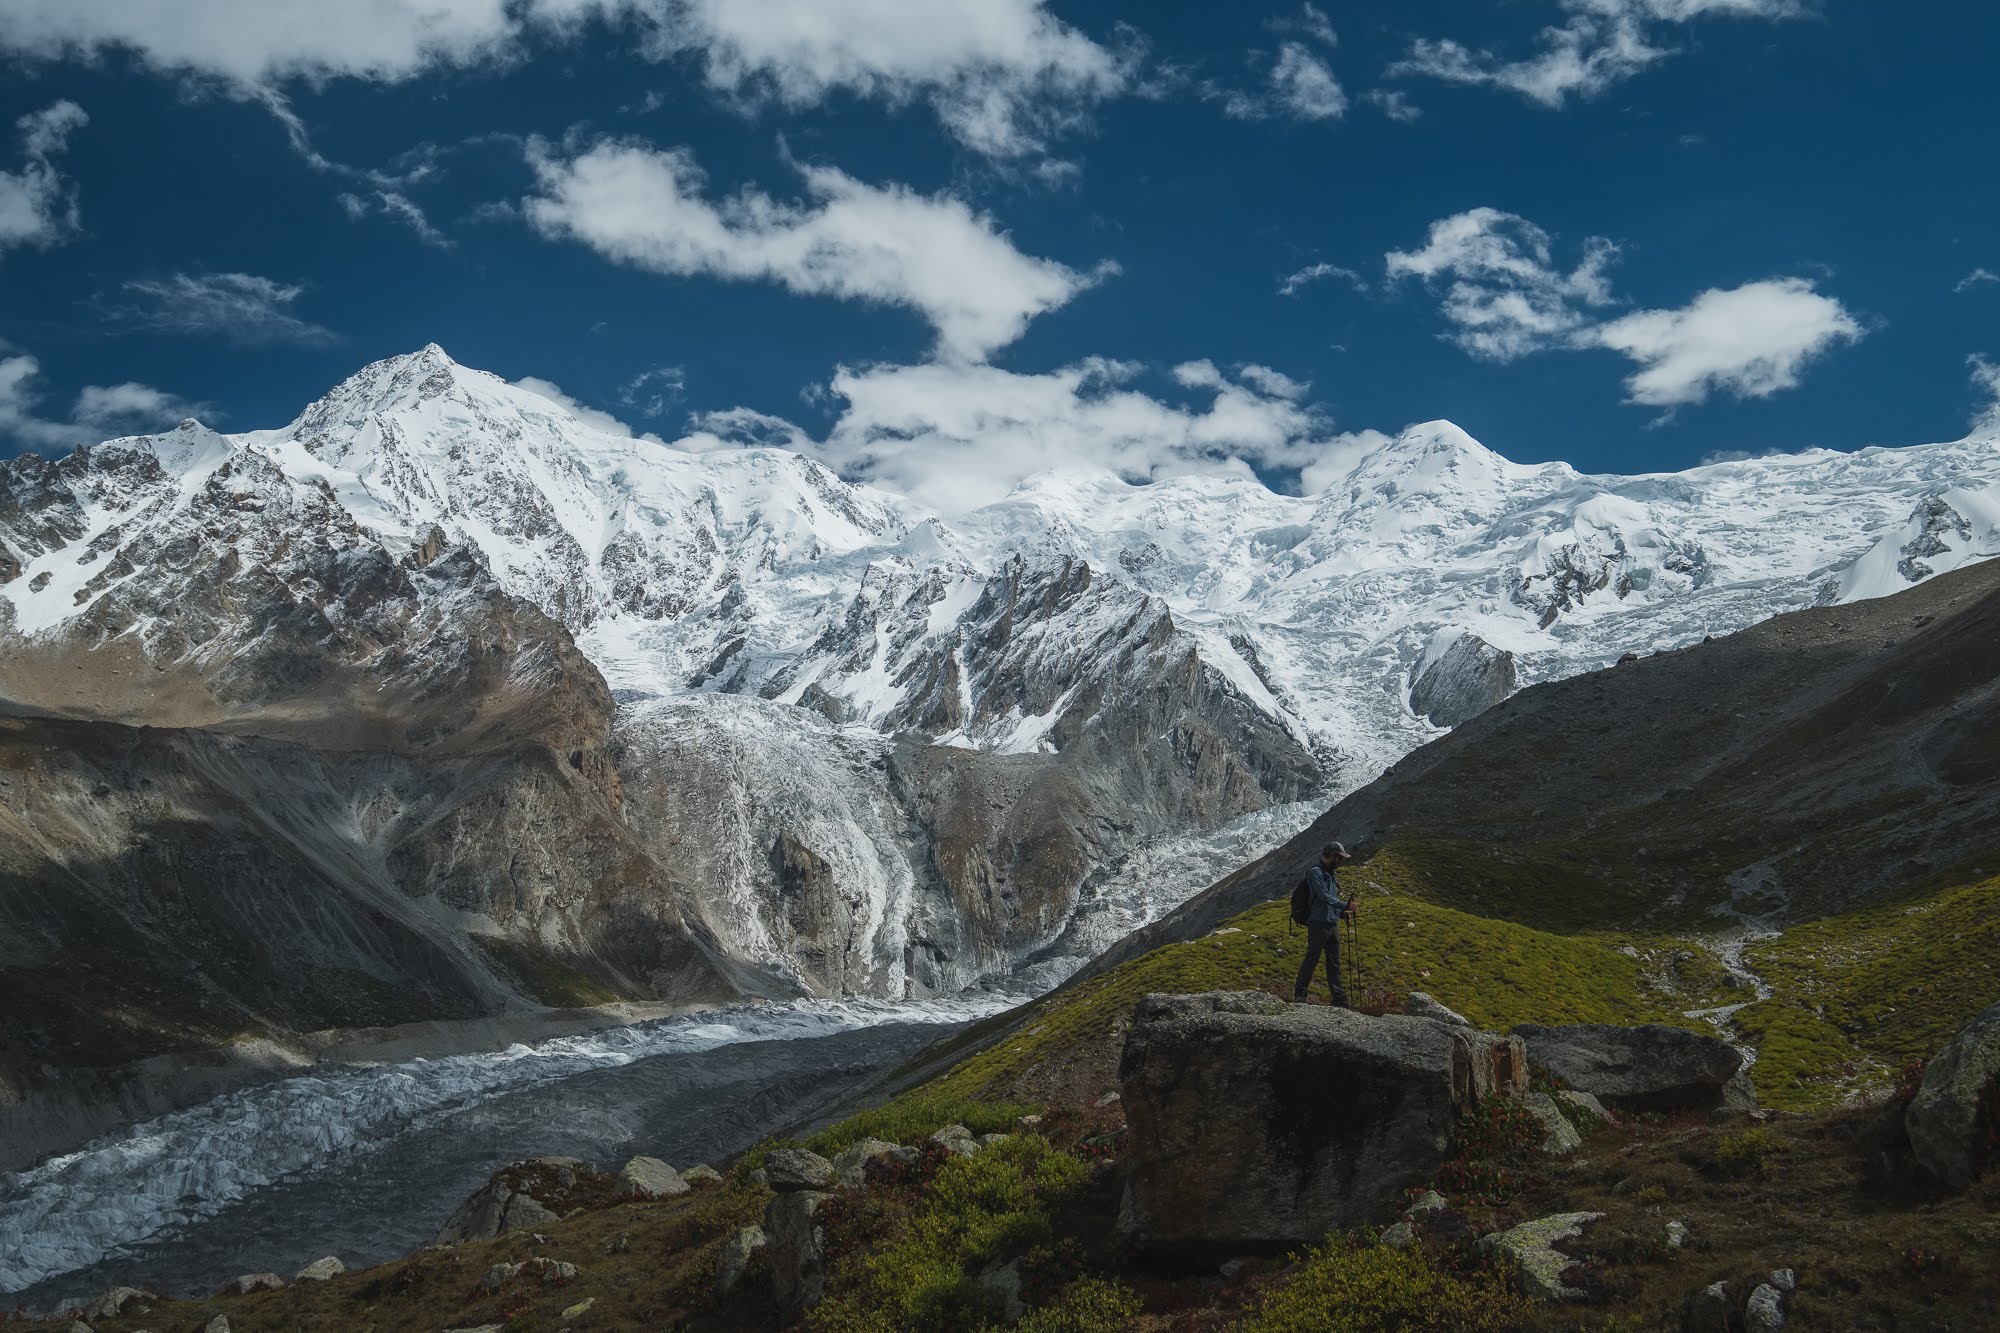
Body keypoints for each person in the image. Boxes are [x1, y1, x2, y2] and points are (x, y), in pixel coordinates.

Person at [1293, 841, 1355, 1006]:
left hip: (1331, 923)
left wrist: (1342, 914)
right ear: (1332, 855)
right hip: (1318, 923)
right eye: (1339, 858)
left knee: (1333, 961)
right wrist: (1345, 906)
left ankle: (1339, 997)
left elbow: (1328, 901)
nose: (1341, 861)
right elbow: (1324, 897)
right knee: (1312, 958)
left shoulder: (1329, 874)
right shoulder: (1315, 872)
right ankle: (1300, 993)